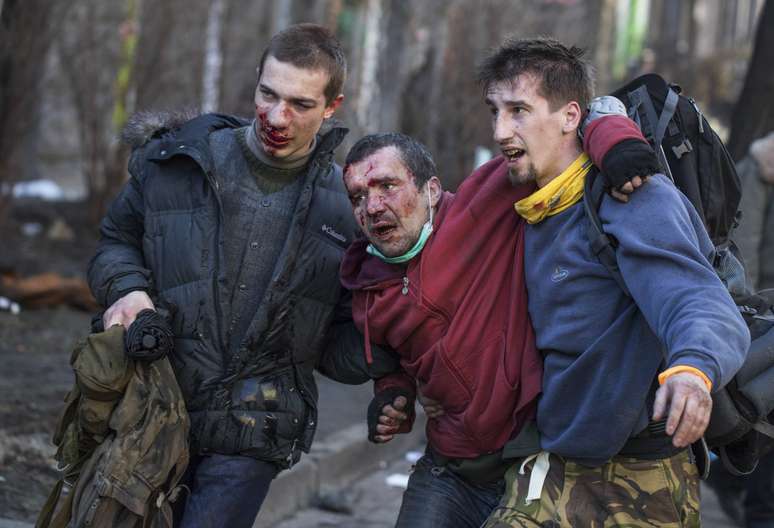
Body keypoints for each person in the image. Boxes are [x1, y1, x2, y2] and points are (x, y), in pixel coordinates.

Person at [87, 24, 398, 528]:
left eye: (299, 104)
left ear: (332, 106)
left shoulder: (347, 214)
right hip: (148, 406)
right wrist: (128, 291)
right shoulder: (178, 162)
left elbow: (338, 350)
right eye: (267, 94)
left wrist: (390, 336)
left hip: (256, 429)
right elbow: (115, 242)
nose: (277, 116)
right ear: (256, 80)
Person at [475, 37, 750, 527]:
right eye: (494, 110)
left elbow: (695, 298)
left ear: (569, 116)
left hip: (642, 477)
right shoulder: (528, 205)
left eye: (519, 110)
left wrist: (693, 369)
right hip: (555, 463)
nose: (500, 130)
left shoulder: (631, 198)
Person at [340, 121, 649, 526]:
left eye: (386, 186)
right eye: (358, 197)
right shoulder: (364, 287)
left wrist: (617, 143)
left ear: (430, 190)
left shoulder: (481, 208)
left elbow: (563, 123)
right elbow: (390, 364)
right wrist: (393, 395)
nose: (373, 207)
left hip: (533, 461)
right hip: (450, 465)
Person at [705, 130, 774, 528]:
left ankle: (733, 482)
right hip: (767, 318)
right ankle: (745, 495)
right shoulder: (762, 169)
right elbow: (744, 245)